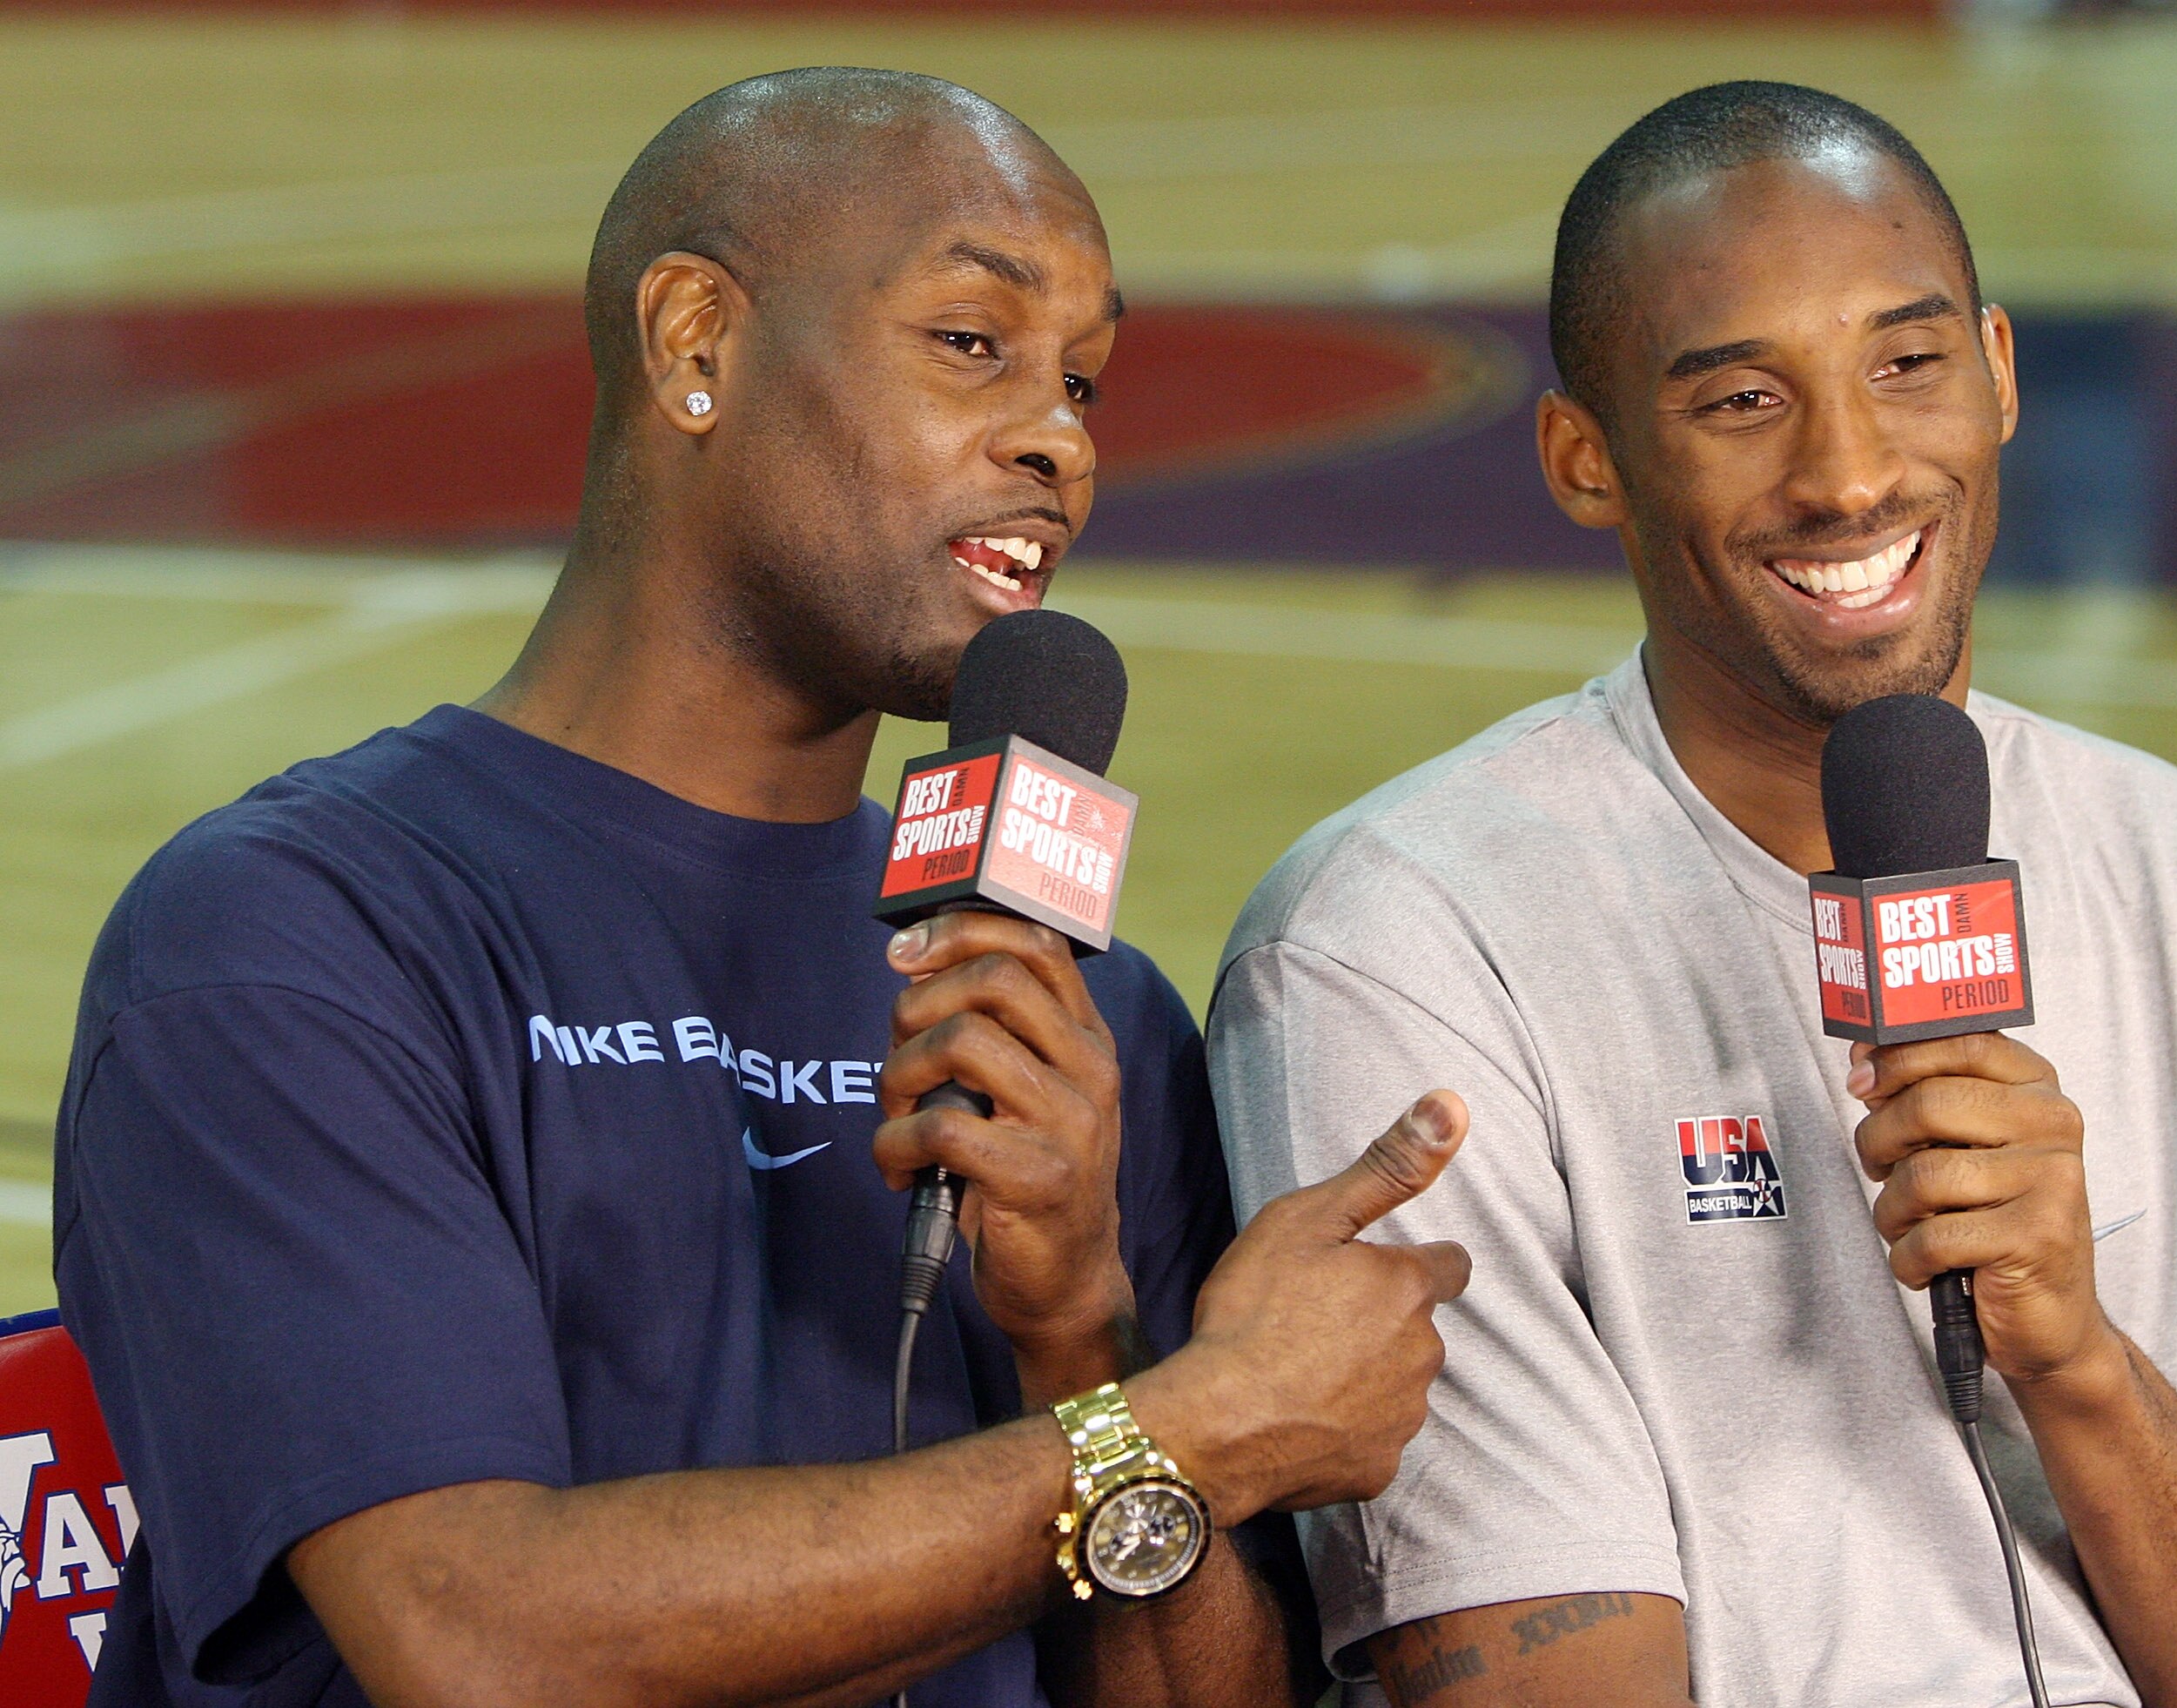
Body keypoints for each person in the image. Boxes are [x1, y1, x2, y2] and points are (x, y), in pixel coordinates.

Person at [54, 69, 1472, 1708]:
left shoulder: (1075, 1014)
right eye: (972, 342)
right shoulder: (291, 937)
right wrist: (1190, 1425)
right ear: (697, 344)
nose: (1061, 439)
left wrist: (1081, 1332)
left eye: (1083, 380)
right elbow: (478, 1642)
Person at [1208, 82, 2177, 1708]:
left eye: (1907, 362)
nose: (1851, 471)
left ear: (2003, 373)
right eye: (1743, 399)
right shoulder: (1396, 949)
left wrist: (2080, 1365)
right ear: (1585, 460)